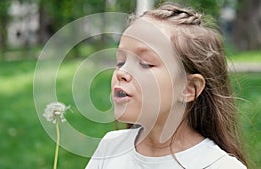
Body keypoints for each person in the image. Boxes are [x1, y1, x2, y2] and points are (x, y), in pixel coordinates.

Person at [86, 2, 247, 169]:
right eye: (120, 62)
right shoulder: (110, 148)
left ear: (188, 88)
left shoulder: (220, 166)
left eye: (145, 63)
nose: (121, 73)